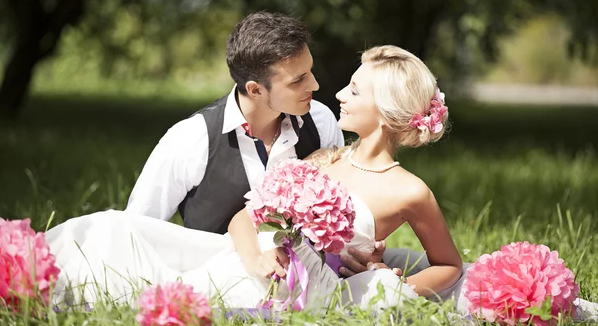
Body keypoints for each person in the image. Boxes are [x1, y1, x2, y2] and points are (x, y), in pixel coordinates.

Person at [45, 45, 598, 322]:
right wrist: (256, 256)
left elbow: (449, 265)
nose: (337, 95)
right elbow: (246, 216)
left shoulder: (409, 191)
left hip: (309, 291)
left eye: (353, 91)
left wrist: (398, 289)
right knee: (112, 232)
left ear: (382, 110)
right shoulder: (325, 158)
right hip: (247, 263)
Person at [124, 11, 344, 234]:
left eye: (310, 71)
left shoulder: (321, 121)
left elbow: (344, 204)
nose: (315, 85)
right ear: (255, 90)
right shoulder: (191, 138)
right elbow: (137, 227)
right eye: (298, 80)